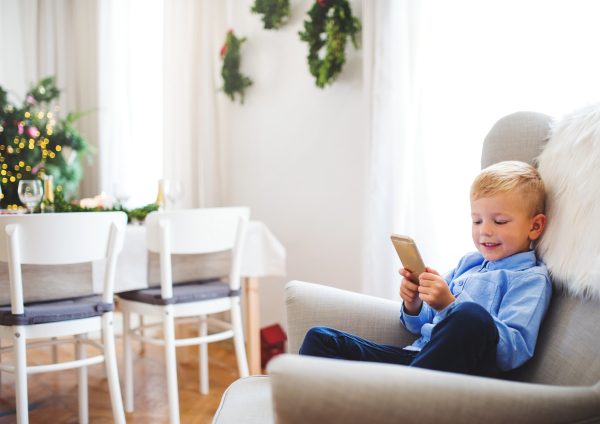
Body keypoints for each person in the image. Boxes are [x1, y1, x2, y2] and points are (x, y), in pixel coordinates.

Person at [299, 161, 552, 377]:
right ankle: (381, 401)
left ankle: (399, 397)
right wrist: (415, 303)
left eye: (499, 221)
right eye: (476, 220)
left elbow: (513, 351)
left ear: (535, 226)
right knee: (321, 339)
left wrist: (450, 305)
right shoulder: (469, 264)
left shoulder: (530, 279)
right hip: (419, 362)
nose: (484, 230)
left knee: (472, 317)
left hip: (464, 375)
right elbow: (421, 325)